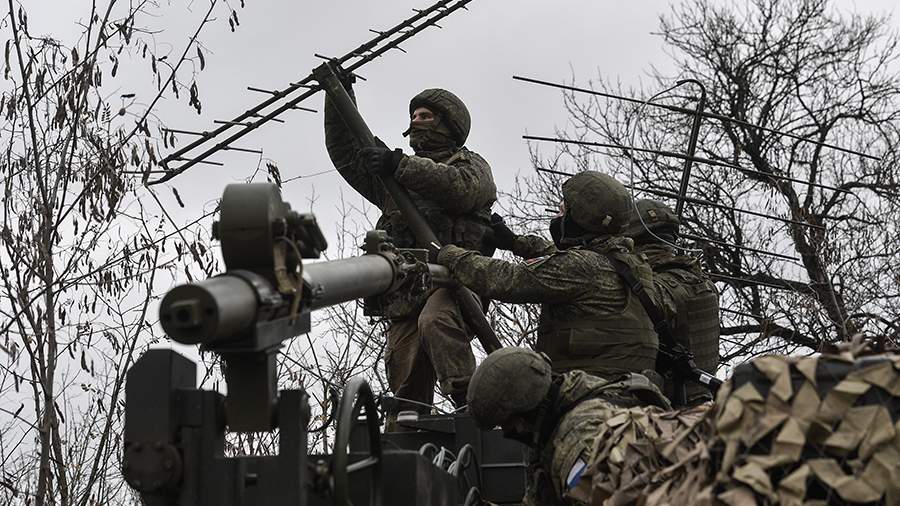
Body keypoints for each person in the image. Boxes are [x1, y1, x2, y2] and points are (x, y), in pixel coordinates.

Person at [324, 81, 496, 424]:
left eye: (426, 116)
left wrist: (399, 165)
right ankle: (408, 424)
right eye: (414, 116)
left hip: (456, 281)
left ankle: (469, 404)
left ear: (448, 125)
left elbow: (461, 189)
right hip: (407, 286)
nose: (416, 121)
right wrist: (337, 97)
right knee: (404, 358)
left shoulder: (470, 164)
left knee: (436, 320)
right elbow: (346, 154)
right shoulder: (392, 177)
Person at [437, 171, 659, 380]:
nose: (558, 218)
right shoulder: (635, 265)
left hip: (589, 390)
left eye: (563, 212)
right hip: (632, 388)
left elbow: (506, 279)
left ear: (579, 219)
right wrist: (516, 243)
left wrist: (450, 253)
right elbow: (573, 261)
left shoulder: (581, 267)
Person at [466, 347, 671, 505]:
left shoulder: (580, 440)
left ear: (520, 419)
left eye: (505, 424)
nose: (508, 432)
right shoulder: (573, 394)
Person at [625, 199, 720, 404]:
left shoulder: (655, 288)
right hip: (703, 403)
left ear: (631, 239)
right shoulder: (704, 282)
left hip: (666, 410)